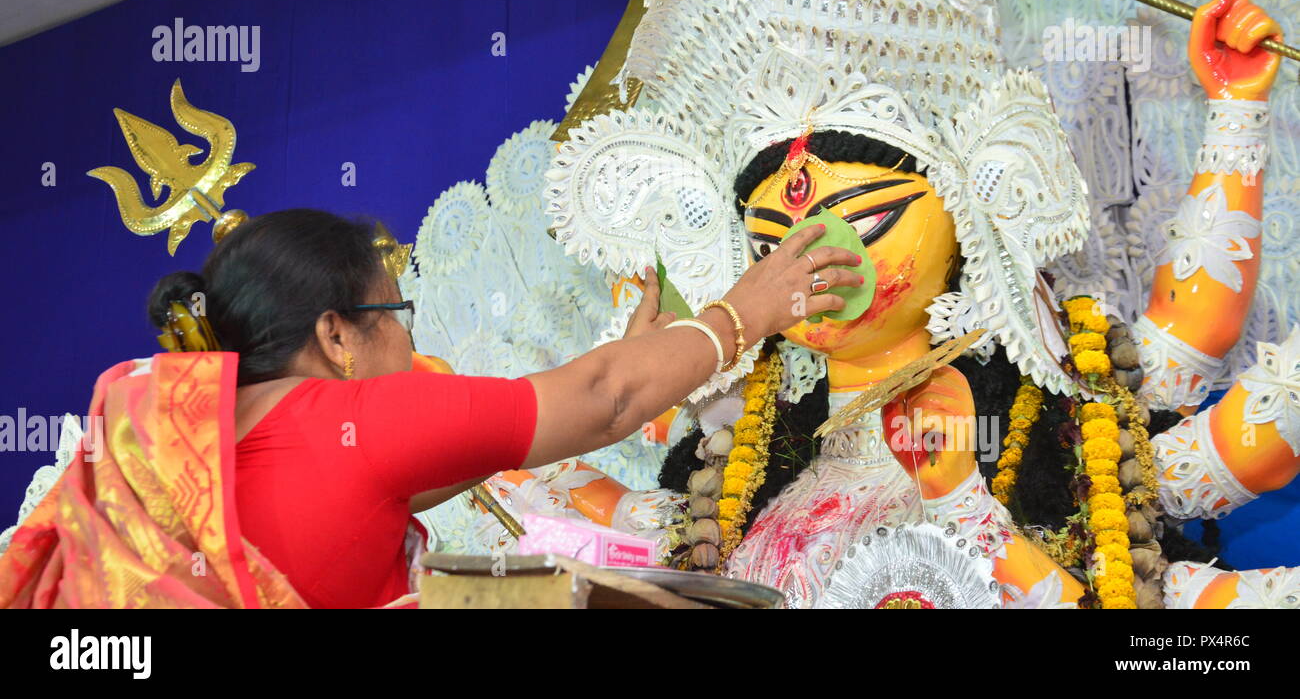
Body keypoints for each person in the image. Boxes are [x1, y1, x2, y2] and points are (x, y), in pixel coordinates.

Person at [0, 208, 860, 608]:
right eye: (396, 316)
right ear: (336, 333)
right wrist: (750, 310)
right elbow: (602, 401)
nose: (410, 345)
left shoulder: (215, 447)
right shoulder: (358, 422)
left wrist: (634, 360)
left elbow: (462, 454)